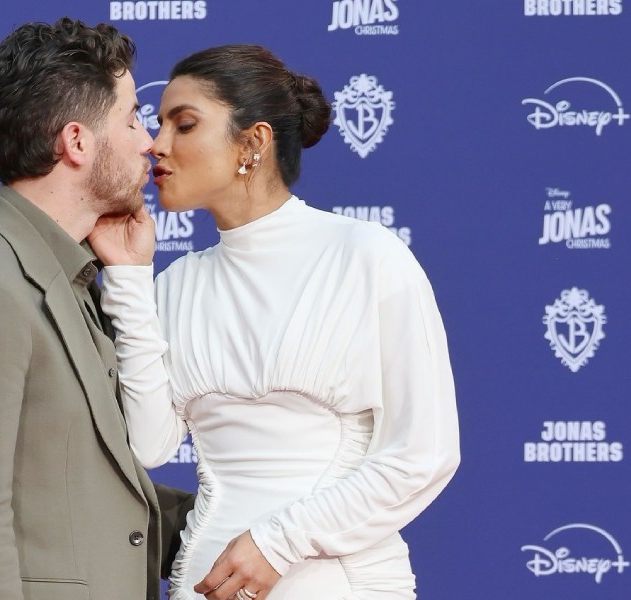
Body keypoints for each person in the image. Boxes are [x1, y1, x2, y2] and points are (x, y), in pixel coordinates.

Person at [88, 45, 461, 599]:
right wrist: (128, 280)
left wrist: (279, 541)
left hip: (339, 582)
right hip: (205, 582)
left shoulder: (367, 257)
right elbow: (148, 446)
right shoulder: (175, 284)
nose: (156, 145)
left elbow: (424, 454)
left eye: (183, 124)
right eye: (155, 123)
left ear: (254, 142)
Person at [0, 18, 192, 600]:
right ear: (76, 141)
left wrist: (249, 521)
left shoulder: (66, 274)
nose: (147, 141)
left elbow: (84, 488)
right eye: (132, 117)